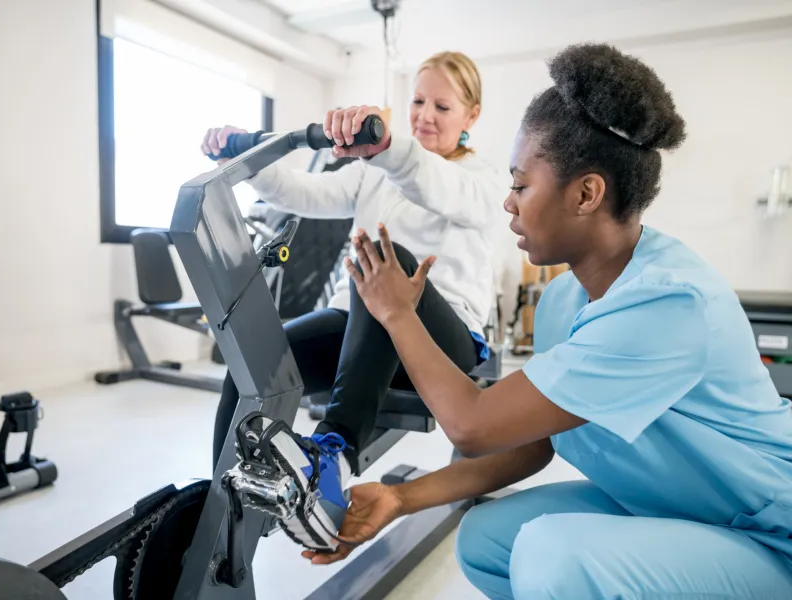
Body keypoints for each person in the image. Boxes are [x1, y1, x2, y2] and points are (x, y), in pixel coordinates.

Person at [298, 42, 792, 598]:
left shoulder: (669, 303)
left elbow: (473, 426)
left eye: (520, 185)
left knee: (550, 554)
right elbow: (534, 443)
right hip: (667, 505)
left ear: (586, 194)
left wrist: (396, 313)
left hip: (766, 532)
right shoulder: (562, 301)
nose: (508, 203)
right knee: (487, 539)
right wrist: (400, 498)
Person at [201, 52, 503, 550]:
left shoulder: (483, 179)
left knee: (387, 264)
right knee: (252, 367)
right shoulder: (376, 171)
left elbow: (433, 183)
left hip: (443, 343)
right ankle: (220, 509)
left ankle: (332, 458)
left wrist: (387, 148)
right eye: (418, 101)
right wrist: (248, 159)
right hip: (360, 323)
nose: (425, 115)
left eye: (442, 107)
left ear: (472, 115)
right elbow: (306, 193)